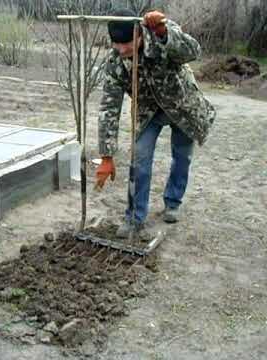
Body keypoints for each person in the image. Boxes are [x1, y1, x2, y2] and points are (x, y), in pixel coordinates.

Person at [95, 8, 216, 238]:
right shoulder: (115, 62)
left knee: (182, 156)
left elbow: (194, 51)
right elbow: (109, 107)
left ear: (139, 34)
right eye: (115, 43)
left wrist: (164, 33)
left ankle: (173, 202)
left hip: (181, 105)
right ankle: (134, 218)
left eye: (126, 43)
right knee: (139, 158)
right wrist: (106, 155)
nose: (121, 49)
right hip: (148, 111)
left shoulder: (160, 35)